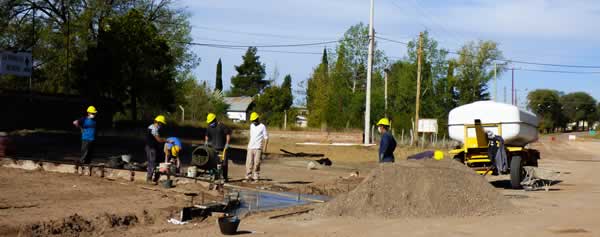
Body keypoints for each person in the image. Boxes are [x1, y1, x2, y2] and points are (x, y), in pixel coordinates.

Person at [204, 113, 231, 181]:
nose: (210, 123)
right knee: (213, 163)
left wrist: (227, 143)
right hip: (213, 148)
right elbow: (207, 135)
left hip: (222, 148)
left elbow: (228, 134)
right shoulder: (209, 127)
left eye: (211, 122)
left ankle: (225, 177)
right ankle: (214, 176)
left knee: (224, 164)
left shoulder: (222, 126)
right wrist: (206, 141)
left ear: (214, 120)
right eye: (209, 122)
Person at [245, 112, 268, 182]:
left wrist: (265, 149)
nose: (253, 122)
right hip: (250, 147)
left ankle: (256, 176)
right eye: (252, 120)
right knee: (249, 162)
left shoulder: (262, 126)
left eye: (254, 120)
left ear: (257, 119)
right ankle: (248, 176)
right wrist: (248, 145)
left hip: (258, 148)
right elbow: (251, 136)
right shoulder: (251, 126)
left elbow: (266, 138)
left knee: (257, 163)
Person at [146, 115, 166, 183]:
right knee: (152, 162)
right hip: (151, 148)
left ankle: (151, 177)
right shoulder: (154, 129)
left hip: (149, 147)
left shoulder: (151, 126)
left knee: (151, 162)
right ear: (159, 122)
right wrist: (167, 140)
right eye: (162, 124)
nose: (162, 125)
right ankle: (149, 179)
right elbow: (159, 140)